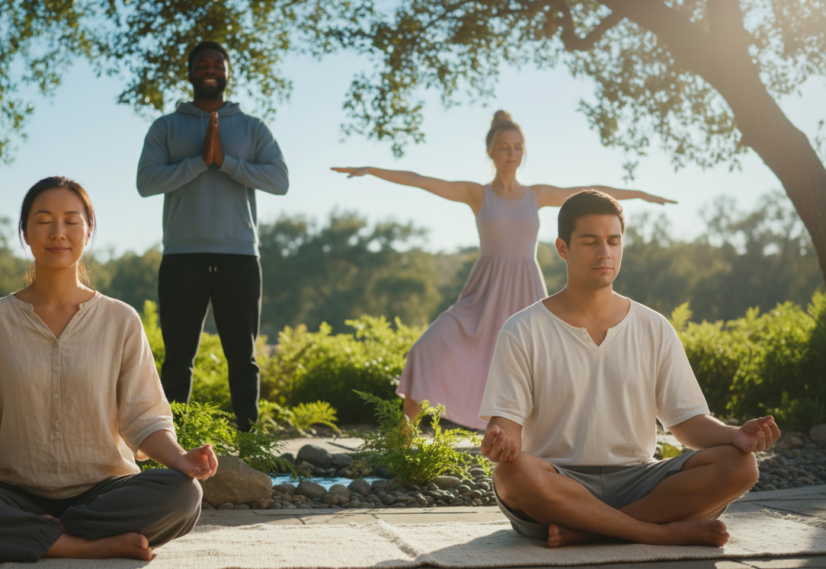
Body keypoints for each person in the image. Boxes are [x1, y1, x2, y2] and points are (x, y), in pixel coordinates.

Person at [0, 177, 217, 562]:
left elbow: (143, 418)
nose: (58, 233)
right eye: (43, 220)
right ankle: (87, 545)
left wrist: (182, 460)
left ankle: (36, 539)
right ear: (25, 232)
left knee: (184, 494)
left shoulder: (121, 320)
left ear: (88, 231)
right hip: (12, 493)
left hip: (105, 491)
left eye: (71, 220)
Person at [331, 111, 675, 430]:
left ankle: (549, 441)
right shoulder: (478, 194)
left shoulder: (535, 195)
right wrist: (371, 169)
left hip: (525, 288)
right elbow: (420, 180)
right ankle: (403, 443)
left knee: (541, 365)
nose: (512, 153)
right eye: (504, 147)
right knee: (426, 349)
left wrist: (640, 194)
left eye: (518, 147)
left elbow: (590, 192)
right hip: (483, 292)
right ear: (491, 152)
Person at [479, 190, 779, 548]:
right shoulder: (522, 329)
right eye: (589, 242)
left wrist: (734, 436)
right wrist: (501, 444)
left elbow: (686, 424)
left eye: (613, 241)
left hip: (640, 481)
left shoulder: (653, 327)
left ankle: (588, 531)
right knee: (513, 474)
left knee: (740, 466)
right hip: (558, 483)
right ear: (563, 248)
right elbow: (507, 429)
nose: (604, 253)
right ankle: (656, 532)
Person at [137, 40, 289, 432]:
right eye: (202, 63)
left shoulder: (252, 127)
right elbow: (145, 182)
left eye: (217, 63)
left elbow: (280, 180)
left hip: (239, 254)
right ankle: (172, 439)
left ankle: (248, 439)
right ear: (189, 73)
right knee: (177, 357)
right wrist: (199, 162)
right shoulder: (166, 126)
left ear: (227, 72)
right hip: (182, 256)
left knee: (243, 355)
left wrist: (226, 162)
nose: (210, 68)